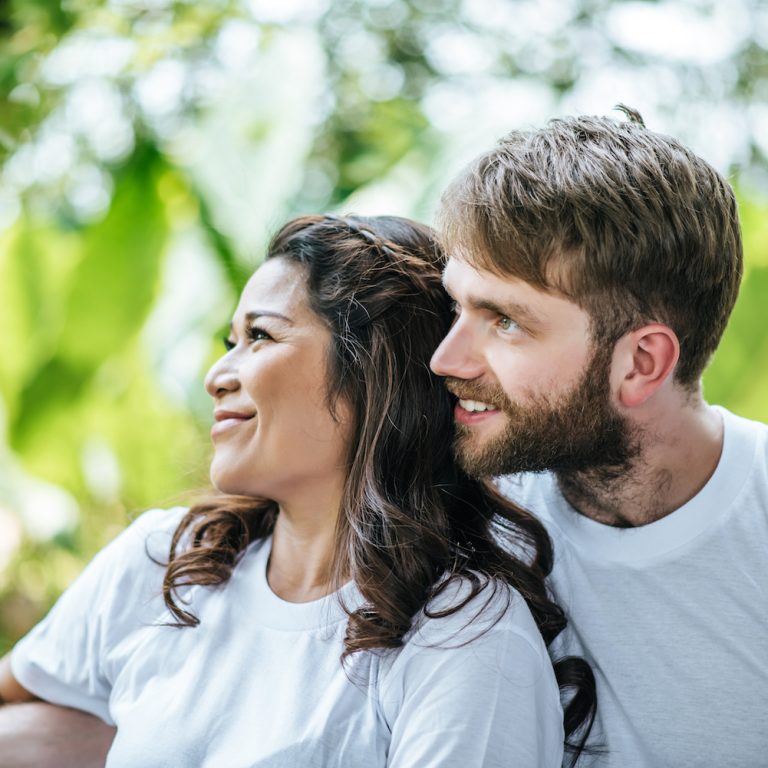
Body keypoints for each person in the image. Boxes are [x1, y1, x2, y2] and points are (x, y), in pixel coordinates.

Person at [0, 215, 595, 767]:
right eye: (229, 341)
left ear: (373, 375)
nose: (217, 375)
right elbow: (20, 709)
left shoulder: (466, 634)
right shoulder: (168, 560)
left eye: (260, 336)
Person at [429, 108, 768, 767]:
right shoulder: (466, 506)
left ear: (641, 363)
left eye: (504, 322)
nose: (446, 359)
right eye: (456, 306)